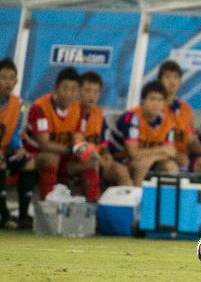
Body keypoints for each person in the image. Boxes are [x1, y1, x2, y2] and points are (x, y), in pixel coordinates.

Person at [24, 68, 100, 202]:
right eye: (65, 88)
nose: (69, 94)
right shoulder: (40, 107)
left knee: (90, 161)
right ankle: (48, 205)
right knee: (52, 157)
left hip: (63, 158)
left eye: (74, 89)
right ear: (55, 88)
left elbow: (78, 138)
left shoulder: (78, 109)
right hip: (34, 155)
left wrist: (84, 151)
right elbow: (44, 144)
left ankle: (94, 209)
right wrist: (71, 149)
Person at [108, 81, 177, 186]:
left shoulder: (168, 120)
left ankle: (167, 200)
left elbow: (171, 152)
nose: (156, 103)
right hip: (118, 161)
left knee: (171, 167)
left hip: (146, 160)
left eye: (160, 100)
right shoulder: (131, 117)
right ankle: (137, 199)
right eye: (152, 99)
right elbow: (133, 153)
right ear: (143, 101)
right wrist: (161, 150)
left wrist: (152, 158)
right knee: (142, 165)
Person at [158, 61, 201, 173]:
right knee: (173, 167)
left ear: (180, 82)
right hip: (161, 157)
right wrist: (174, 155)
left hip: (183, 156)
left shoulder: (185, 108)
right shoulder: (155, 106)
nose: (172, 81)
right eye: (167, 77)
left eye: (176, 77)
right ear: (159, 81)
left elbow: (190, 139)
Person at [79, 71, 132, 187]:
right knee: (93, 165)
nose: (92, 95)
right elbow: (76, 146)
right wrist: (97, 159)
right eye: (88, 91)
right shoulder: (73, 113)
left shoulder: (99, 115)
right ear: (79, 91)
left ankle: (128, 204)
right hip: (76, 161)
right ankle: (92, 202)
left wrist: (106, 154)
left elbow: (103, 145)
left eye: (96, 92)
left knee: (121, 170)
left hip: (98, 160)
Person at [0, 58, 36, 229]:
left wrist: (18, 148)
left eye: (11, 78)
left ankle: (23, 216)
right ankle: (4, 215)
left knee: (29, 162)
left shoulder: (18, 104)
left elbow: (14, 132)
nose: (8, 82)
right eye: (3, 77)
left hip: (6, 151)